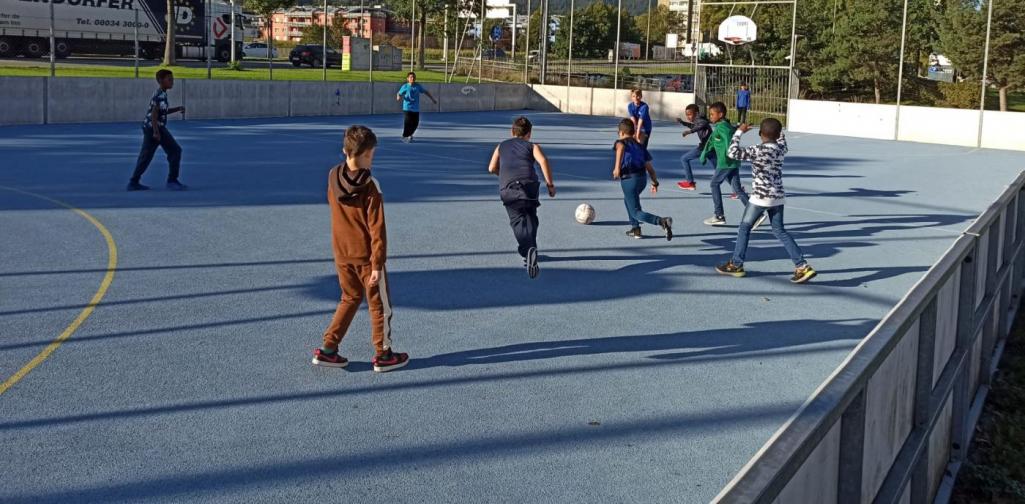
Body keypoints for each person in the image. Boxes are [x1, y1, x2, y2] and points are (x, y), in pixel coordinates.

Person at [313, 125, 410, 372]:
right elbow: (377, 229)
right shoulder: (370, 186)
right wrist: (377, 263)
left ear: (346, 151)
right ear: (367, 155)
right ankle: (384, 353)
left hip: (342, 252)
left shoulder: (333, 176)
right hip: (367, 257)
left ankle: (328, 348)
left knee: (349, 297)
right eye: (372, 155)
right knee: (379, 305)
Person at [715, 118, 817, 283]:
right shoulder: (780, 149)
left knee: (744, 228)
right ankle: (802, 265)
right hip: (778, 196)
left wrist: (739, 131)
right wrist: (779, 133)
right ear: (777, 135)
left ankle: (736, 264)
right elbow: (783, 142)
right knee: (779, 231)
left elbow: (732, 152)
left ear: (760, 134)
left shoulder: (757, 150)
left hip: (760, 198)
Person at [487, 116, 557, 279]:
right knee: (531, 217)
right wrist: (550, 185)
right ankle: (530, 248)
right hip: (529, 186)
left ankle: (528, 249)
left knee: (517, 221)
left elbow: (491, 168)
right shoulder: (532, 146)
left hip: (509, 188)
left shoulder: (501, 146)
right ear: (529, 134)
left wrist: (502, 175)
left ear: (512, 131)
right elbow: (543, 161)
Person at [613, 119, 673, 240]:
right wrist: (655, 182)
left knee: (635, 211)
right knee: (628, 201)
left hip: (629, 180)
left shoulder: (621, 142)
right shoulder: (640, 147)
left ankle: (661, 221)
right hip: (642, 179)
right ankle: (636, 229)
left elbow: (620, 148)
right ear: (633, 132)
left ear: (621, 132)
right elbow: (650, 168)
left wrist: (617, 168)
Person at [128, 69, 187, 191]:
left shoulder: (162, 94)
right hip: (155, 128)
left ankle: (133, 181)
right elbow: (154, 114)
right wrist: (156, 131)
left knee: (146, 155)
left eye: (173, 79)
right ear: (161, 81)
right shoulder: (160, 95)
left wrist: (177, 109)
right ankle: (172, 180)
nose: (172, 82)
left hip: (152, 127)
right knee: (175, 151)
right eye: (169, 79)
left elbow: (162, 111)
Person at [700, 102, 749, 226]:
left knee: (714, 184)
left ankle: (719, 215)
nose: (710, 116)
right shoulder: (725, 126)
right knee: (737, 189)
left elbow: (728, 142)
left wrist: (729, 154)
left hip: (726, 162)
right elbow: (713, 141)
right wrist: (705, 153)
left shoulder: (722, 127)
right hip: (732, 162)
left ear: (720, 114)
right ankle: (755, 214)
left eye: (712, 114)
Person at [676, 104, 713, 191]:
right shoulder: (698, 120)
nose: (688, 117)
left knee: (684, 159)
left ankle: (690, 183)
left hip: (705, 147)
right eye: (687, 115)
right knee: (720, 169)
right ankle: (737, 189)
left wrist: (689, 132)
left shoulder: (700, 120)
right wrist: (683, 122)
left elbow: (702, 124)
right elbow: (694, 126)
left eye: (689, 114)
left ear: (696, 113)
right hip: (710, 147)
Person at [396, 72, 437, 143]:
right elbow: (399, 93)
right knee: (407, 122)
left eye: (414, 77)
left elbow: (425, 92)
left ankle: (410, 134)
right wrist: (398, 97)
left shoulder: (418, 86)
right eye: (411, 77)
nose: (413, 78)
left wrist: (432, 99)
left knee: (415, 123)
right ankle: (404, 136)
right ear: (408, 78)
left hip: (415, 108)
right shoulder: (405, 86)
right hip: (407, 108)